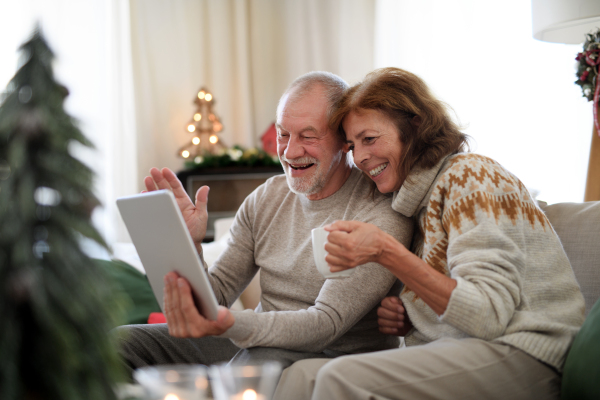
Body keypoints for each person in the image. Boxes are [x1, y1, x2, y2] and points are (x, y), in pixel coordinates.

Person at [274, 67, 585, 400]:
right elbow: (455, 299)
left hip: (530, 353)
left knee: (340, 377)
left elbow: (488, 316)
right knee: (301, 376)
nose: (360, 157)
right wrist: (412, 317)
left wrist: (386, 252)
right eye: (352, 146)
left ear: (415, 127)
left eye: (370, 139)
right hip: (474, 348)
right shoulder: (413, 203)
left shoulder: (471, 176)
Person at [115, 71, 413, 375]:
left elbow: (325, 324)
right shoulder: (267, 197)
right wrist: (188, 246)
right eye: (284, 134)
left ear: (343, 141)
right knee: (120, 343)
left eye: (308, 136)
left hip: (331, 356)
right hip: (259, 342)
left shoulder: (379, 213)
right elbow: (214, 297)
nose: (290, 151)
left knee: (249, 368)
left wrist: (230, 323)